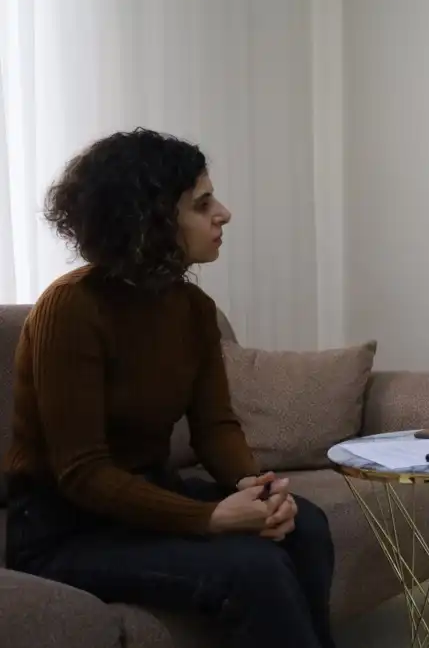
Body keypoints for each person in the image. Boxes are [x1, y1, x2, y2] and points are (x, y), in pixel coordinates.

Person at [3, 128, 337, 648]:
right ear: (150, 221)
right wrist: (209, 518)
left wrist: (257, 489)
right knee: (253, 568)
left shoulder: (193, 309)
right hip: (64, 528)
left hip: (147, 499)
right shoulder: (69, 310)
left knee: (305, 525)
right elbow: (82, 473)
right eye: (203, 205)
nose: (224, 214)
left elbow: (215, 426)